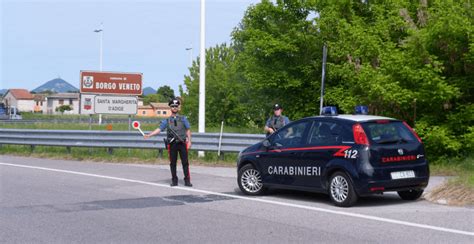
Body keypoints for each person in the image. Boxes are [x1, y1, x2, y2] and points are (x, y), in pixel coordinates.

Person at [144, 98, 193, 187]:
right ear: (170, 108)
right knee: (173, 163)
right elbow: (159, 130)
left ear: (178, 108)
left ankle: (187, 180)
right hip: (172, 144)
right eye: (173, 106)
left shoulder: (183, 119)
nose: (174, 108)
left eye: (176, 106)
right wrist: (149, 135)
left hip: (182, 143)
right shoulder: (166, 121)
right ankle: (174, 180)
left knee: (185, 163)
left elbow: (188, 130)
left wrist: (189, 141)